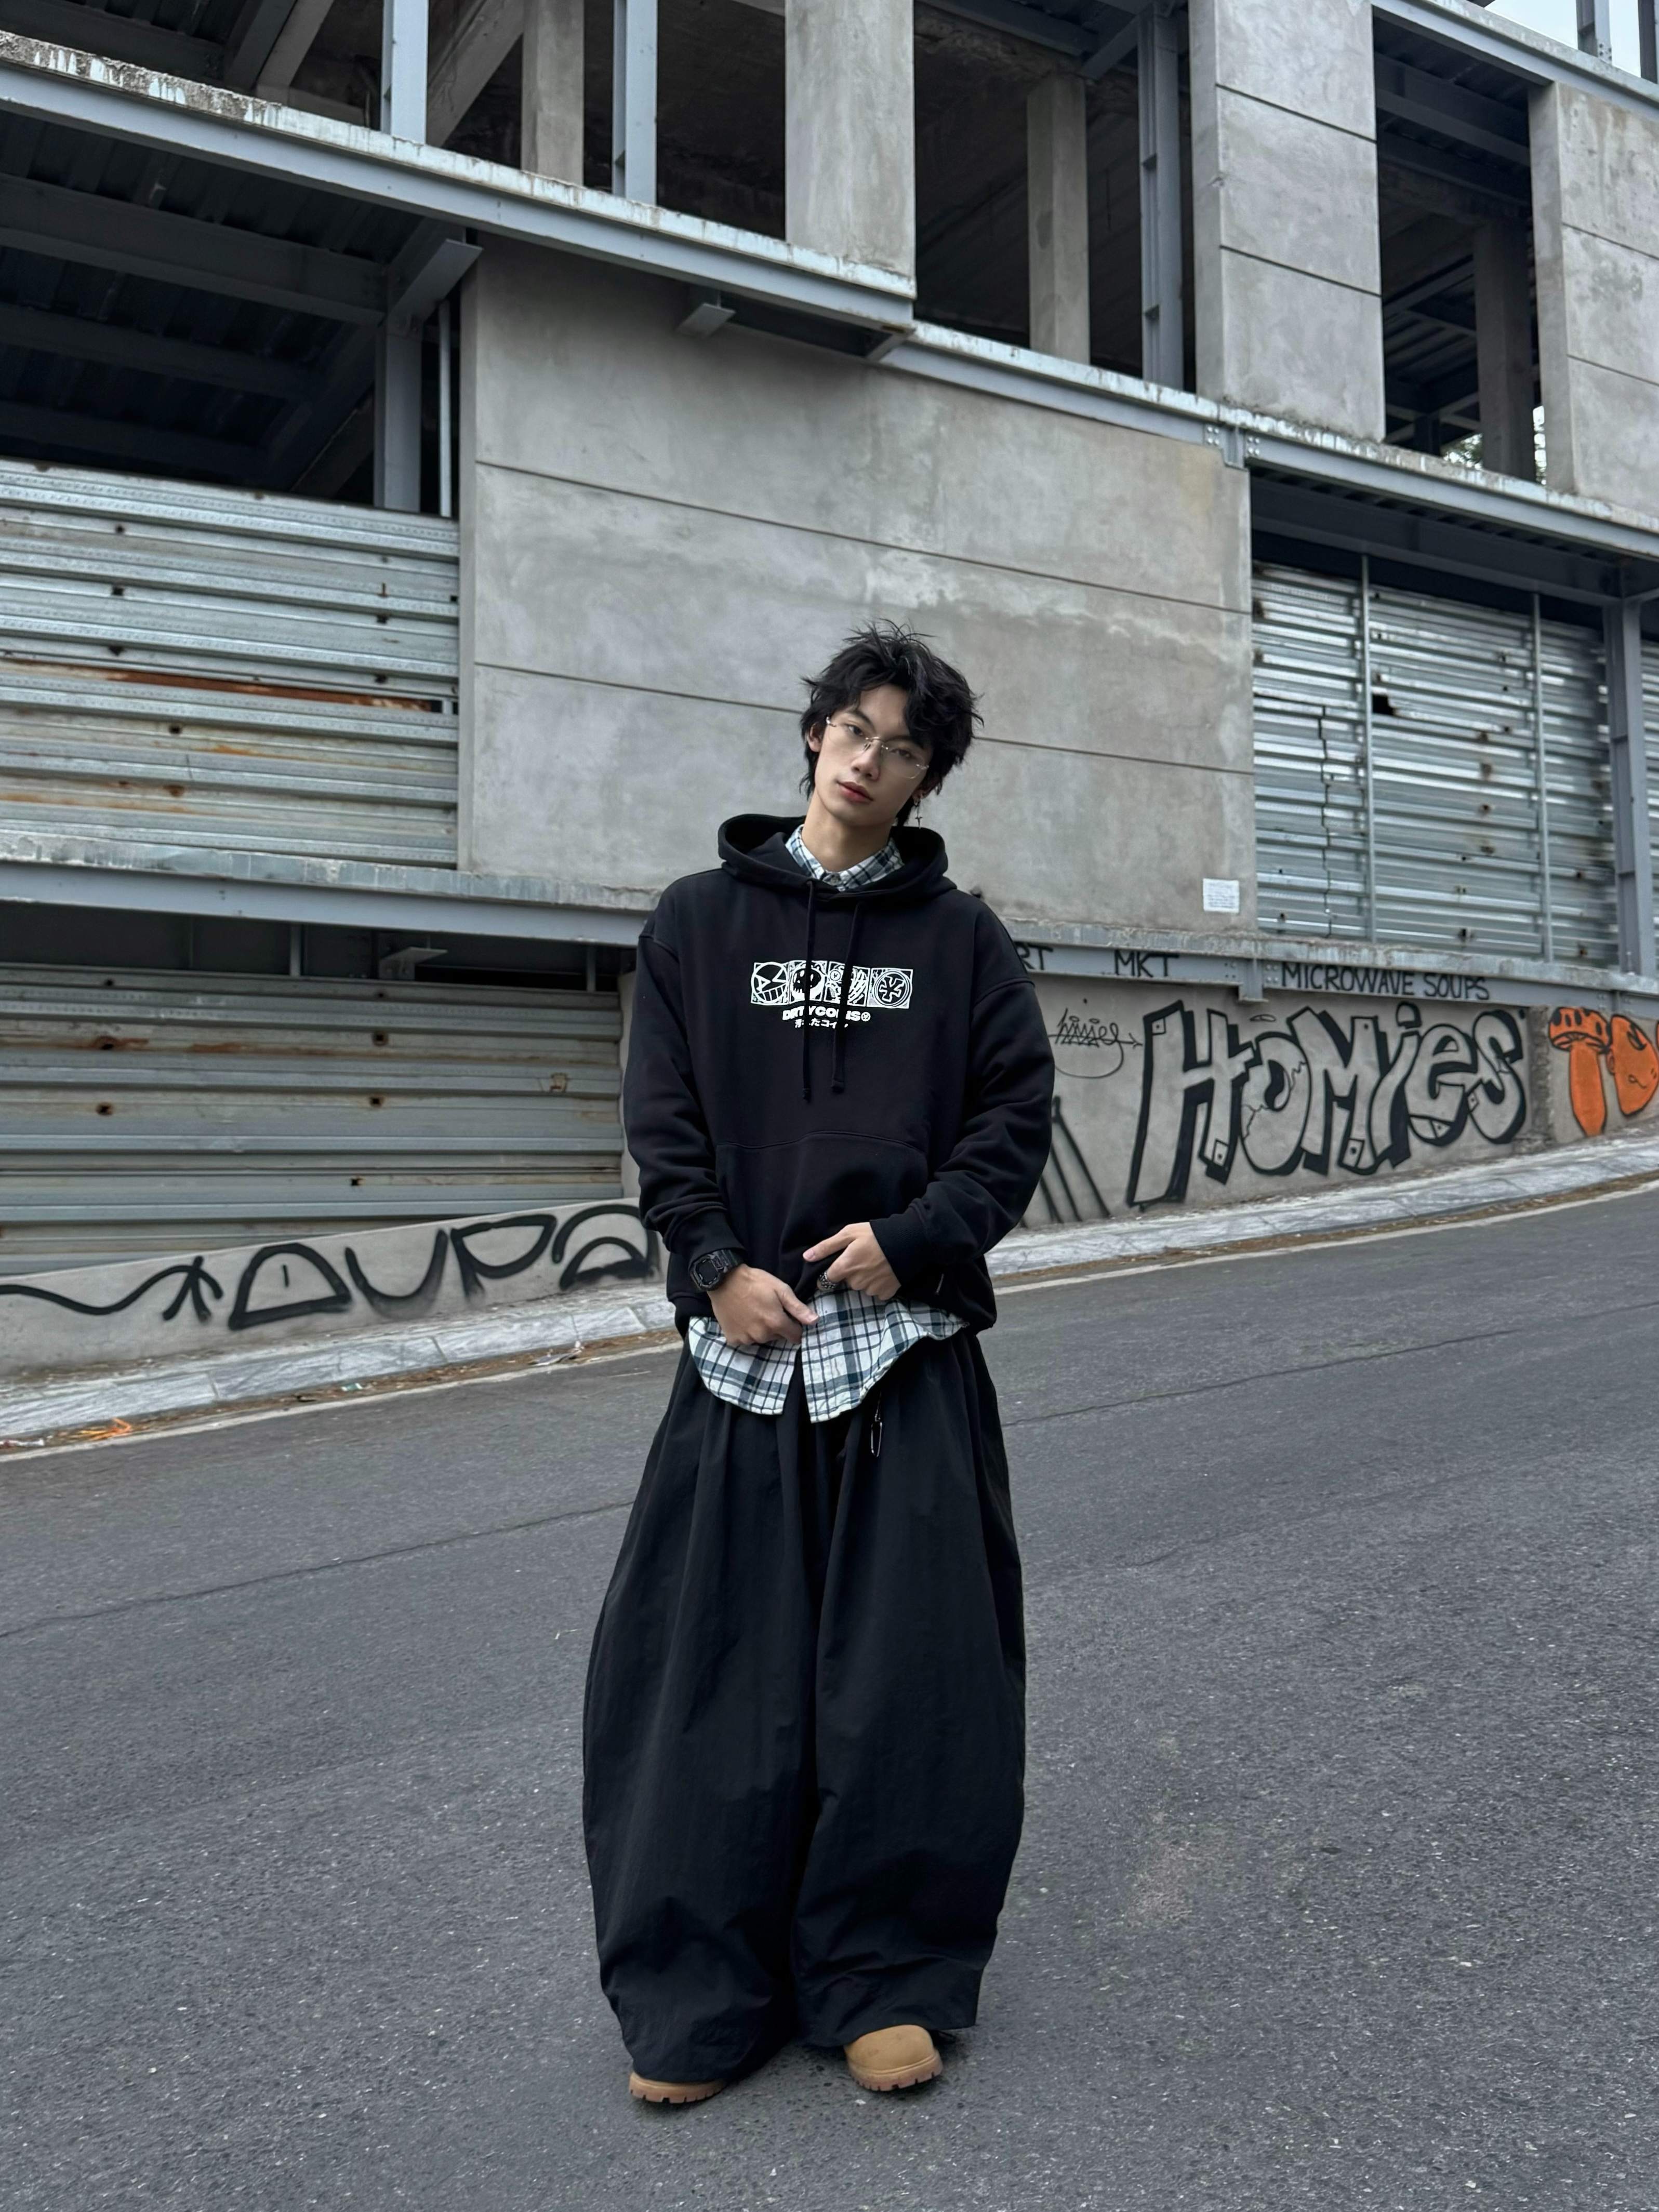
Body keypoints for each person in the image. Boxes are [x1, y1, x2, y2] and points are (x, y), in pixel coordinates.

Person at [583, 621, 1055, 2106]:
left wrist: (916, 1239)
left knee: (910, 1681)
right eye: (853, 731)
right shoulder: (697, 921)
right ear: (813, 735)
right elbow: (661, 1120)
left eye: (901, 749)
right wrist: (713, 1267)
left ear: (926, 779)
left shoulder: (962, 942)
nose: (867, 762)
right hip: (744, 1349)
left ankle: (883, 1974)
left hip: (901, 1350)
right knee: (709, 1679)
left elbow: (1013, 1121)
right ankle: (701, 1992)